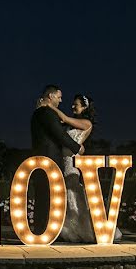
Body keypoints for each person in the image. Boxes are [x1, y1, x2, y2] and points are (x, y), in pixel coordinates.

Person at [44, 94, 123, 243]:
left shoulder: (86, 123)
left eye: (76, 105)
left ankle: (81, 228)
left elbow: (65, 119)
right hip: (63, 160)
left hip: (72, 161)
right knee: (66, 191)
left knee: (72, 188)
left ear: (85, 107)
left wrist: (51, 106)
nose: (73, 106)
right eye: (73, 104)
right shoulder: (70, 125)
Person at [30, 85, 83, 233]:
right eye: (59, 97)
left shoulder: (38, 113)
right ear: (51, 96)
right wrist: (77, 147)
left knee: (43, 194)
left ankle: (41, 229)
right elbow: (60, 134)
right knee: (47, 195)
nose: (61, 100)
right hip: (49, 159)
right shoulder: (46, 112)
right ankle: (44, 230)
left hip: (41, 158)